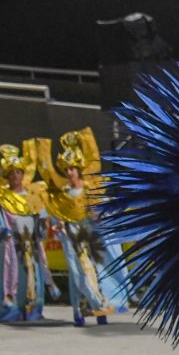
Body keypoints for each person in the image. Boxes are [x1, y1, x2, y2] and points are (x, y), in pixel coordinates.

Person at [37, 128, 131, 326]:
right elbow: (57, 213)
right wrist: (56, 225)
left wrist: (98, 214)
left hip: (91, 236)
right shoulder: (63, 192)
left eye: (73, 169)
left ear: (79, 169)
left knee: (96, 272)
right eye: (67, 169)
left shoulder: (92, 188)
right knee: (77, 272)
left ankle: (100, 308)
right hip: (72, 236)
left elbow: (104, 209)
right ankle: (79, 311)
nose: (70, 173)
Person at [0, 140, 57, 323]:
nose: (15, 176)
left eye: (18, 172)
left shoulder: (31, 195)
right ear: (6, 175)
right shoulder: (1, 199)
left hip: (29, 243)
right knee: (10, 275)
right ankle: (10, 310)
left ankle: (32, 310)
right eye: (11, 172)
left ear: (23, 174)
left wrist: (42, 224)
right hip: (10, 247)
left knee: (31, 274)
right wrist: (2, 232)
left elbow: (41, 218)